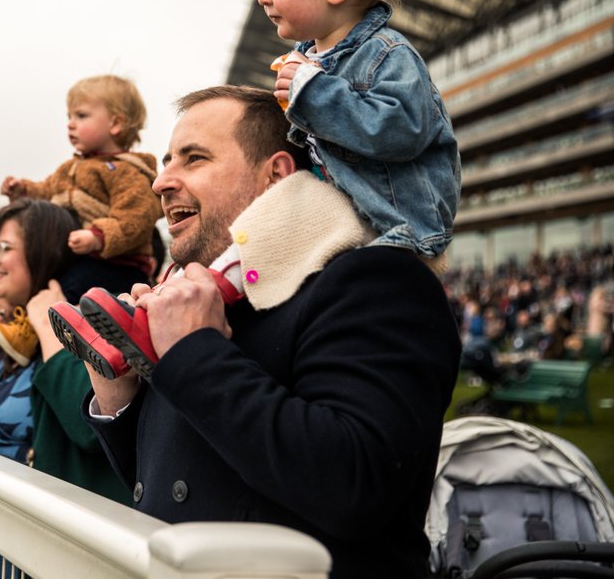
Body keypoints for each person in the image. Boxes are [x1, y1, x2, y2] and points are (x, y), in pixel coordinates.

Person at [71, 86, 461, 578]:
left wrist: (195, 352)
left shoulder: (376, 281)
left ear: (275, 175)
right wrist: (118, 399)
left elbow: (353, 485)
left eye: (194, 159)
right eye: (167, 161)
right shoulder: (205, 297)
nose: (160, 182)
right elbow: (178, 483)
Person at [200, 0, 461, 310]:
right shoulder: (314, 59)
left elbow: (399, 130)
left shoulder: (386, 53)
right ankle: (193, 299)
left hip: (391, 223)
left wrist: (312, 91)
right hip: (341, 210)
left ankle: (204, 299)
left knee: (285, 231)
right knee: (262, 223)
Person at [0, 198, 130, 504]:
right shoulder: (7, 338)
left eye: (5, 247)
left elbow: (93, 432)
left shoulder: (89, 329)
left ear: (44, 252)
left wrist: (48, 323)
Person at [0, 75, 161, 364]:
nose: (70, 123)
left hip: (116, 265)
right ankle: (25, 333)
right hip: (85, 260)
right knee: (54, 283)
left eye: (81, 115)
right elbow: (48, 189)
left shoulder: (127, 172)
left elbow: (135, 219)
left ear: (115, 124)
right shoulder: (71, 168)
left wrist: (98, 236)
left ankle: (37, 337)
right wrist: (24, 190)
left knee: (69, 290)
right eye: (69, 116)